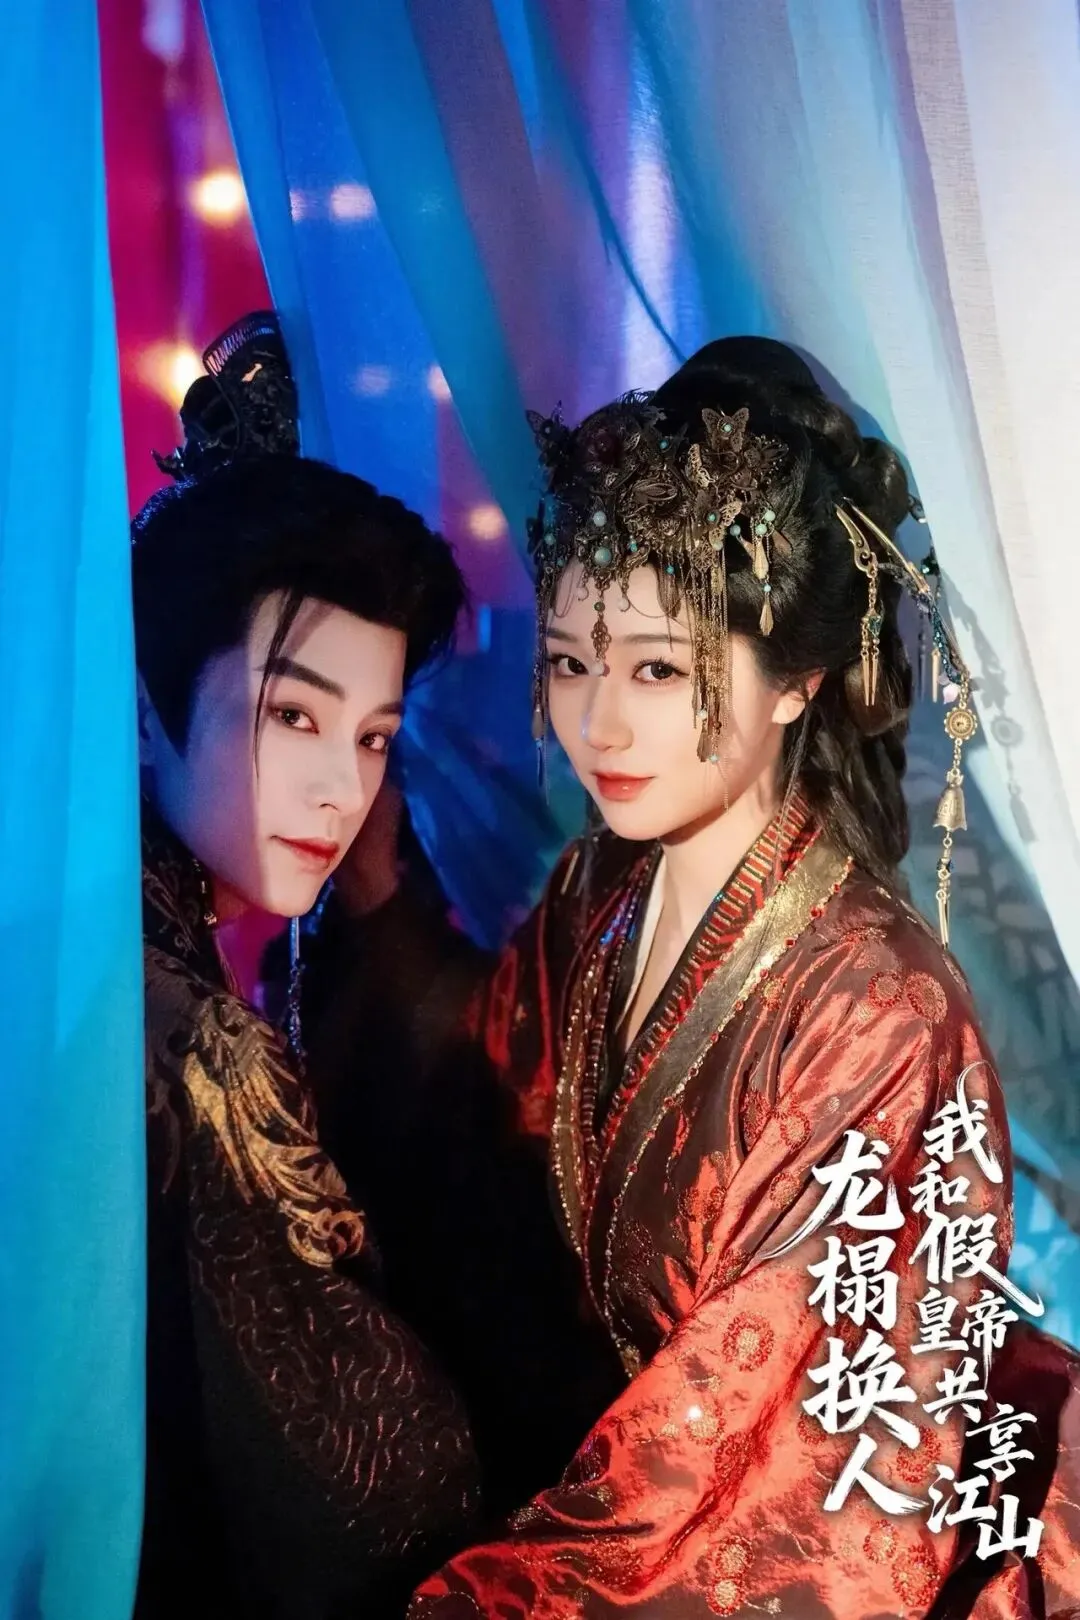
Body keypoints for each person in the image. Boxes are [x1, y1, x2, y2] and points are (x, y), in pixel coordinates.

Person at [410, 338, 1080, 1616]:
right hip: (613, 1475)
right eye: (571, 661)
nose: (599, 722)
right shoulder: (593, 894)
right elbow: (471, 1189)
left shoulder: (882, 1011)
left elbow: (819, 1485)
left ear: (796, 685)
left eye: (660, 669)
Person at [133, 313, 480, 1619]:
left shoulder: (150, 938)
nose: (340, 789)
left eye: (375, 737)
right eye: (292, 715)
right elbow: (376, 1500)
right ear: (149, 700)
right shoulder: (188, 1047)